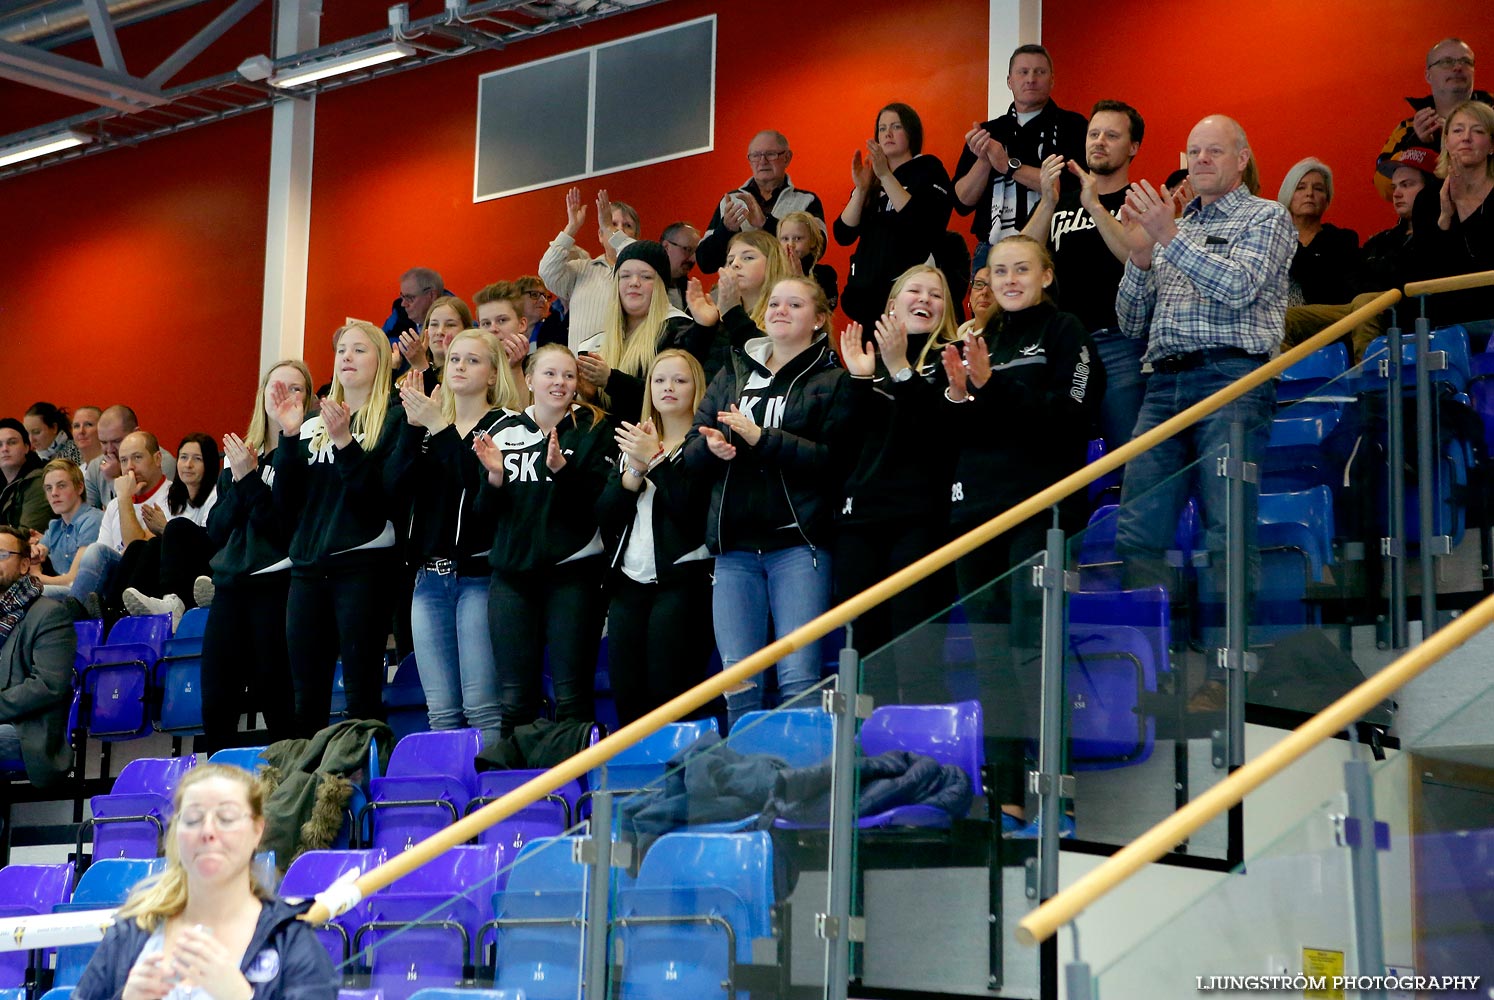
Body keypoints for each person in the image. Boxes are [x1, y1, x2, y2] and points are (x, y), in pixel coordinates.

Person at [942, 235, 1103, 829]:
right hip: (973, 515)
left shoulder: (1065, 331)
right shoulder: (977, 337)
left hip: (1037, 512)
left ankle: (1057, 800)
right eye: (998, 270)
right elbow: (960, 431)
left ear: (1046, 275)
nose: (1009, 279)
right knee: (990, 664)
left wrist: (994, 386)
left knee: (1033, 655)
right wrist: (961, 396)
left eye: (1021, 269)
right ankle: (1006, 799)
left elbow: (1073, 415)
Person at [1112, 115, 1295, 598]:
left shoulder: (1266, 216)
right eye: (1194, 152)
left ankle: (1226, 667)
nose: (1201, 160)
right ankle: (1148, 668)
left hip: (1231, 379)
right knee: (1137, 530)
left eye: (1214, 151)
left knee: (1226, 530)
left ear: (1242, 159)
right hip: (1161, 384)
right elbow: (1131, 323)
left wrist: (1169, 238)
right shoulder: (1176, 225)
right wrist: (1140, 257)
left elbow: (1239, 287)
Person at [685, 276, 850, 726]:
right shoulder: (734, 371)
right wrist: (712, 447)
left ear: (818, 320)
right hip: (734, 549)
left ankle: (802, 784)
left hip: (797, 546)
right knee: (738, 682)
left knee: (798, 679)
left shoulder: (833, 379)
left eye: (794, 304)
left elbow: (833, 461)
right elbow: (690, 448)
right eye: (774, 303)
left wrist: (763, 439)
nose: (779, 310)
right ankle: (745, 787)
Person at [71, 763, 339, 1000]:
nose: (208, 832)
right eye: (193, 819)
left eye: (227, 818)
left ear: (257, 830)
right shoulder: (132, 931)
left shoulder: (291, 941)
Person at [270, 322, 406, 736]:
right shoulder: (311, 424)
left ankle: (363, 784)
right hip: (308, 571)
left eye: (359, 350)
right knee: (305, 698)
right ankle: (308, 792)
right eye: (341, 350)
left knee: (362, 693)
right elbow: (286, 504)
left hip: (362, 570)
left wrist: (346, 442)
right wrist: (290, 436)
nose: (346, 357)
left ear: (380, 362)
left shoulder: (394, 420)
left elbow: (375, 503)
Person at [473, 343, 615, 737]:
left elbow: (602, 505)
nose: (560, 382)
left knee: (572, 696)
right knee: (515, 699)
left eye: (568, 375)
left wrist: (563, 471)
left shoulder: (594, 428)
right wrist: (495, 480)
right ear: (530, 380)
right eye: (550, 374)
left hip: (573, 576)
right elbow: (483, 515)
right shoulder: (500, 430)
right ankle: (517, 792)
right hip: (512, 579)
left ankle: (576, 790)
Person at [835, 265, 962, 702]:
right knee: (867, 658)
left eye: (937, 293)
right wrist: (858, 380)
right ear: (892, 305)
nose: (925, 298)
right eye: (914, 290)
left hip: (922, 521)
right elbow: (842, 445)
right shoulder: (864, 363)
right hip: (860, 524)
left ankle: (925, 764)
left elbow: (945, 435)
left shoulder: (956, 356)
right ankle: (873, 763)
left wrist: (903, 372)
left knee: (918, 652)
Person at [396, 330, 522, 748]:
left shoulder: (506, 425)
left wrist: (439, 426)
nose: (460, 367)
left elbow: (477, 486)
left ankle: (485, 802)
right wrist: (413, 431)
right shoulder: (428, 428)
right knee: (441, 711)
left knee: (482, 706)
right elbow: (390, 489)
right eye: (453, 360)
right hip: (427, 578)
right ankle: (452, 807)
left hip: (478, 575)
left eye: (472, 360)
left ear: (492, 374)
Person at [196, 361, 314, 756]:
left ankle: (287, 793)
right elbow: (215, 530)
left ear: (308, 400)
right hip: (230, 587)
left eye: (295, 388)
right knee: (216, 703)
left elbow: (283, 528)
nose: (283, 395)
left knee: (276, 698)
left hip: (276, 587)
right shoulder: (240, 454)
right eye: (275, 385)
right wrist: (242, 476)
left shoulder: (304, 454)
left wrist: (249, 481)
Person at [596, 349, 714, 726]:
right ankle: (639, 781)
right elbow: (607, 516)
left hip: (683, 582)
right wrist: (634, 470)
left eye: (680, 380)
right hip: (629, 583)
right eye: (660, 380)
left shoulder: (706, 442)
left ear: (697, 388)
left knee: (670, 693)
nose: (668, 388)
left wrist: (658, 462)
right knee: (627, 696)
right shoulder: (636, 439)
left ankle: (677, 780)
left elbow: (691, 515)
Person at [1022, 99, 1147, 448]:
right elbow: (1021, 261)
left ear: (1133, 146)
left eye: (1111, 135)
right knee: (1055, 458)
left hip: (1120, 343)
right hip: (1063, 343)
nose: (1099, 141)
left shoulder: (1140, 202)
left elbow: (1136, 256)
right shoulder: (1061, 202)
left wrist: (1094, 205)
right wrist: (1047, 202)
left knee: (1130, 456)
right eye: (1094, 134)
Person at [953, 44, 1088, 266]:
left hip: (1056, 247)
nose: (1031, 79)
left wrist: (1008, 166)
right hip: (992, 251)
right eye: (1023, 72)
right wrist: (985, 161)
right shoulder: (988, 132)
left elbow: (1070, 188)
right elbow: (961, 202)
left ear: (1052, 80)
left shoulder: (1073, 126)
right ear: (1009, 81)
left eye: (1040, 72)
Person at [834, 102, 954, 329]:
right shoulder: (873, 176)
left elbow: (921, 223)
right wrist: (861, 189)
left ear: (911, 132)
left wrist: (886, 175)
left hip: (909, 296)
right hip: (866, 296)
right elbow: (843, 234)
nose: (887, 133)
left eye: (896, 127)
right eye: (882, 128)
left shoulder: (928, 168)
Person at [575, 241, 713, 422]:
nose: (634, 283)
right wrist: (589, 397)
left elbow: (672, 398)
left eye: (646, 277)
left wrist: (611, 380)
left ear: (661, 285)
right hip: (607, 445)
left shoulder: (679, 331)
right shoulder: (593, 344)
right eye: (625, 276)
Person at [117, 433, 222, 627]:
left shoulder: (218, 494)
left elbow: (213, 540)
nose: (188, 464)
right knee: (140, 546)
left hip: (207, 571)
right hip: (183, 569)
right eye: (183, 457)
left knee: (175, 526)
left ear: (210, 464)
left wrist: (166, 529)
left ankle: (173, 602)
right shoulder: (173, 499)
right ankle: (118, 611)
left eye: (196, 459)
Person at [67, 430, 173, 618]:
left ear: (157, 459)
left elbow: (136, 547)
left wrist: (124, 498)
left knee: (96, 551)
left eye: (137, 458)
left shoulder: (173, 496)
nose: (130, 468)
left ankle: (75, 616)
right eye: (123, 461)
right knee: (44, 593)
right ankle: (77, 610)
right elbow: (103, 555)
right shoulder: (116, 504)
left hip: (147, 578)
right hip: (112, 579)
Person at [1408, 99, 1494, 329]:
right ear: (1446, 141)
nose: (1466, 137)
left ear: (1492, 145)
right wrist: (1445, 218)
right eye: (1457, 130)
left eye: (1477, 131)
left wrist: (1464, 204)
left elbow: (1484, 260)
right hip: (1446, 317)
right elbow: (1426, 272)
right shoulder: (1427, 199)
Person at [0, 525, 74, 789]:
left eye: (2, 554)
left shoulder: (49, 614)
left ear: (23, 565)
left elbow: (47, 685)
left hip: (29, 732)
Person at [697, 130, 825, 274]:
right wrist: (725, 230)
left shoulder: (807, 201)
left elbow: (816, 253)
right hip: (740, 293)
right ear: (749, 160)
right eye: (756, 155)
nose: (762, 161)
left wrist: (766, 223)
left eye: (770, 154)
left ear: (787, 158)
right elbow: (705, 263)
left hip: (785, 290)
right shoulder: (730, 201)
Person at [1376, 38, 1490, 199]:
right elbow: (1384, 187)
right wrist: (1419, 146)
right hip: (1433, 219)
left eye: (1466, 61)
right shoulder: (1408, 130)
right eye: (1446, 62)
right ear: (1428, 75)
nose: (1457, 67)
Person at [540, 187, 640, 350]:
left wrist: (608, 226)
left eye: (627, 225)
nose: (619, 229)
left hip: (623, 370)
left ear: (635, 237)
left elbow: (634, 253)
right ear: (600, 235)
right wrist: (571, 227)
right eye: (613, 224)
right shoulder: (581, 269)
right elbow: (547, 272)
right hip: (579, 370)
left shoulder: (643, 276)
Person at [1277, 157, 1362, 307]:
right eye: (1301, 187)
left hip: (1326, 320)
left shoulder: (1341, 241)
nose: (1309, 193)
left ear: (1327, 199)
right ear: (1288, 196)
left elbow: (1334, 293)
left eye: (1318, 188)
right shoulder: (1272, 239)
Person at [33, 459, 103, 599]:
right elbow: (35, 555)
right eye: (48, 488)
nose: (54, 493)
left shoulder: (92, 520)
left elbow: (74, 579)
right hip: (65, 595)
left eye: (61, 486)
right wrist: (33, 553)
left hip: (91, 596)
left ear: (80, 487)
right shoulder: (55, 527)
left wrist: (37, 577)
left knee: (33, 595)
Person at [86, 405, 177, 510]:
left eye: (116, 441)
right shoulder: (95, 467)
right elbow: (88, 516)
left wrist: (113, 479)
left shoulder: (159, 461)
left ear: (136, 433)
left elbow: (147, 511)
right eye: (104, 442)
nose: (109, 450)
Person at [473, 281, 543, 390]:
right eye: (486, 323)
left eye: (502, 320)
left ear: (522, 324)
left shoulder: (540, 367)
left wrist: (515, 369)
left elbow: (525, 407)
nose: (493, 329)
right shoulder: (470, 367)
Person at [396, 296, 473, 394]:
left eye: (450, 325)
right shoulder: (409, 369)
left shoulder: (469, 373)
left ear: (466, 331)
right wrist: (391, 370)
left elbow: (444, 406)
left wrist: (422, 367)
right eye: (434, 324)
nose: (440, 331)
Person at [776, 210, 839, 310]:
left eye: (797, 238)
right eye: (785, 239)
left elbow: (824, 310)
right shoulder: (770, 272)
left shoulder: (826, 274)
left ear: (812, 241)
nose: (790, 244)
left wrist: (800, 279)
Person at [0, 419, 51, 534]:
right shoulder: (4, 485)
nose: (4, 449)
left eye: (12, 442)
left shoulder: (38, 482)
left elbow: (29, 533)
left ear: (27, 447)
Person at [657, 222, 701, 310]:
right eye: (688, 249)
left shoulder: (690, 291)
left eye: (696, 252)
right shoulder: (646, 288)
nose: (693, 259)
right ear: (666, 247)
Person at [957, 265, 997, 337]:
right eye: (979, 284)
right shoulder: (954, 341)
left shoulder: (1013, 342)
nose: (985, 292)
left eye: (993, 286)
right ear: (970, 297)